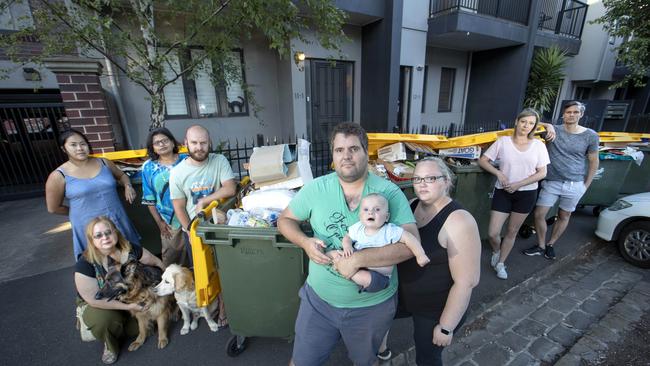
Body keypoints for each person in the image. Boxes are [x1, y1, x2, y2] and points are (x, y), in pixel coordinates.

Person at [278, 122, 419, 366]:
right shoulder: (316, 189)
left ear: (366, 151)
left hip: (371, 307)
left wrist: (356, 260)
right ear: (332, 155)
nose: (346, 156)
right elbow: (285, 219)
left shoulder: (389, 193)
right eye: (339, 150)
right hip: (319, 302)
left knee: (365, 362)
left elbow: (411, 244)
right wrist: (305, 242)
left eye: (353, 149)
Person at [378, 158, 481, 365]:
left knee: (427, 357)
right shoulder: (411, 205)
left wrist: (446, 327)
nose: (422, 184)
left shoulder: (459, 220)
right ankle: (381, 350)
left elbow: (467, 282)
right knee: (377, 317)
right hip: (404, 295)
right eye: (417, 179)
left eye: (430, 178)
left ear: (446, 181)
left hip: (435, 309)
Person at [169, 124, 236, 326]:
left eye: (203, 142)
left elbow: (230, 188)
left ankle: (225, 308)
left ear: (209, 143)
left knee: (226, 269)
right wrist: (188, 229)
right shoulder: (178, 173)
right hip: (196, 231)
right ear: (185, 144)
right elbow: (179, 206)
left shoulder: (219, 161)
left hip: (220, 226)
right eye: (195, 143)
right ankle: (207, 308)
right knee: (205, 272)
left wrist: (205, 201)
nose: (199, 147)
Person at [74, 216, 164, 364]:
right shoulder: (85, 263)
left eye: (108, 232)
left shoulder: (129, 249)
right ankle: (109, 345)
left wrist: (168, 282)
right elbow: (93, 299)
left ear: (115, 232)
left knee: (142, 325)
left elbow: (156, 262)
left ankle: (120, 324)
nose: (105, 237)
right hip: (99, 303)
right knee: (104, 322)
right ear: (92, 240)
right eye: (98, 235)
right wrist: (129, 307)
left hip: (128, 296)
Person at [45, 129, 140, 260]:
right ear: (63, 149)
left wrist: (127, 186)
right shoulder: (58, 175)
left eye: (83, 144)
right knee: (99, 264)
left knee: (129, 257)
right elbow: (53, 208)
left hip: (116, 219)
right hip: (87, 226)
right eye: (73, 145)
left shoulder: (104, 162)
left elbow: (122, 175)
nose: (79, 148)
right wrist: (80, 213)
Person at [478, 108, 550, 279]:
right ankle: (496, 251)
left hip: (526, 194)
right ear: (517, 121)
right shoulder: (503, 142)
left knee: (511, 232)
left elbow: (542, 173)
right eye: (524, 121)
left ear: (534, 126)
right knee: (493, 233)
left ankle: (501, 263)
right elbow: (483, 160)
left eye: (531, 123)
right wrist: (499, 174)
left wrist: (519, 184)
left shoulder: (538, 145)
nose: (526, 126)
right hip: (503, 192)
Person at [524, 101, 599, 260]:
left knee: (564, 215)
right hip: (552, 182)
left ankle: (551, 244)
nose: (571, 115)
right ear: (563, 114)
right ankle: (541, 245)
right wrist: (549, 125)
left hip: (575, 184)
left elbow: (594, 161)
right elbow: (530, 122)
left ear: (581, 114)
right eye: (568, 112)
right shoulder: (553, 130)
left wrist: (586, 185)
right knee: (539, 214)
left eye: (575, 112)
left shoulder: (590, 135)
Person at [329, 193, 429, 293]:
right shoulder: (358, 228)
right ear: (360, 216)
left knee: (365, 278)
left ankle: (342, 267)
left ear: (386, 217)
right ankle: (331, 257)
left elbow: (409, 237)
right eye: (366, 209)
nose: (370, 213)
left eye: (377, 209)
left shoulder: (389, 230)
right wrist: (347, 246)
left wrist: (420, 254)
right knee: (337, 253)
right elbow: (347, 237)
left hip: (378, 277)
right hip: (358, 266)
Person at [141, 127, 188, 267]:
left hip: (192, 215)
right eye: (157, 143)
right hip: (170, 221)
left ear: (173, 142)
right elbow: (150, 199)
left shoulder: (186, 160)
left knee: (196, 255)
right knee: (172, 258)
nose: (162, 144)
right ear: (153, 148)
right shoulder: (148, 167)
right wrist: (159, 222)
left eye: (165, 140)